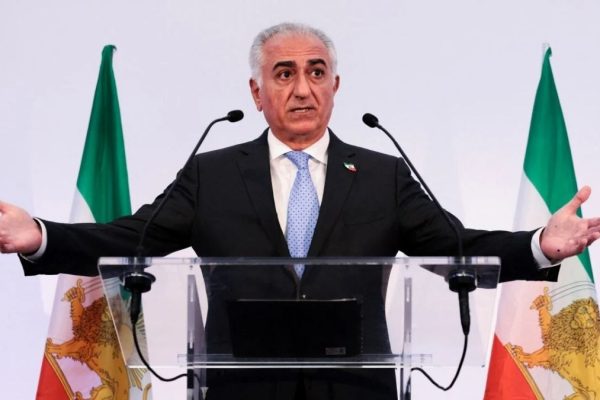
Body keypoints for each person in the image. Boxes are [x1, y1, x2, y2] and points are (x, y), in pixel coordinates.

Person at [1, 22, 599, 400]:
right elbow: (133, 239)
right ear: (257, 92)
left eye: (316, 72)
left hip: (355, 390)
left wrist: (539, 245)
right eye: (284, 74)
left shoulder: (382, 174)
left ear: (335, 86)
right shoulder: (212, 173)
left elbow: (457, 247)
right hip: (240, 390)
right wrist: (40, 236)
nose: (303, 88)